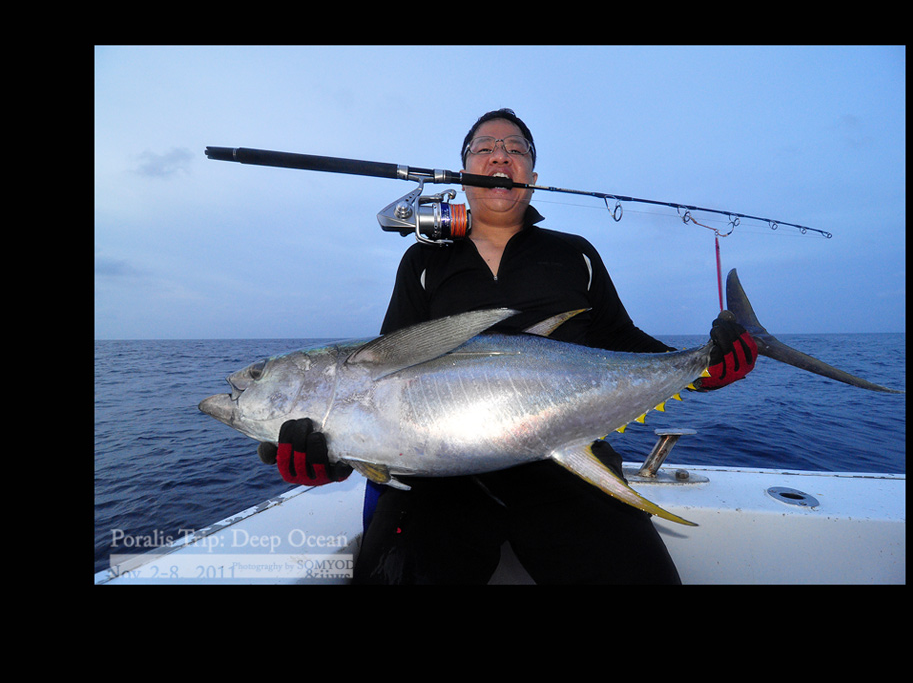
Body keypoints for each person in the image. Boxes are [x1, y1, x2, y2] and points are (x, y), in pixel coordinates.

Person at [262, 109, 757, 584]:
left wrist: (706, 367)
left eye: (515, 148)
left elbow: (622, 342)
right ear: (463, 173)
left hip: (565, 467)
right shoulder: (423, 261)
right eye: (485, 148)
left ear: (533, 176)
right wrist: (337, 447)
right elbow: (383, 375)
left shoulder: (574, 252)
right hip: (441, 478)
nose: (500, 156)